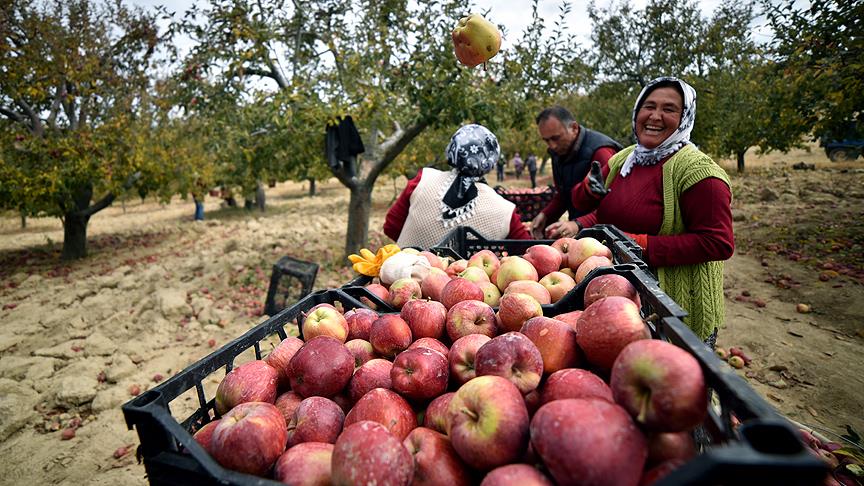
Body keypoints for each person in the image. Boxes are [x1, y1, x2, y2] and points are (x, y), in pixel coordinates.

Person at [568, 76, 734, 345]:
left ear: (685, 117)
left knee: (675, 384)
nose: (655, 116)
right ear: (636, 111)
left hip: (673, 307)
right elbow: (594, 207)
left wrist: (637, 245)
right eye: (649, 106)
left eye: (669, 109)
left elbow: (718, 243)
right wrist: (586, 200)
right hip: (620, 300)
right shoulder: (625, 159)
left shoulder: (700, 174)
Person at [384, 124, 531, 248]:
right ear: (491, 162)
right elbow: (526, 248)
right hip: (465, 280)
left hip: (404, 278)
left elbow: (391, 226)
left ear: (452, 150)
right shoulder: (504, 211)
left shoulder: (423, 180)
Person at [530, 106, 622, 239]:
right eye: (546, 140)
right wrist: (546, 215)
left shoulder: (601, 152)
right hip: (582, 237)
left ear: (574, 128)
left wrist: (578, 224)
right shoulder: (559, 153)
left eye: (556, 138)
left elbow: (616, 205)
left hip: (606, 237)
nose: (552, 146)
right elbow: (564, 195)